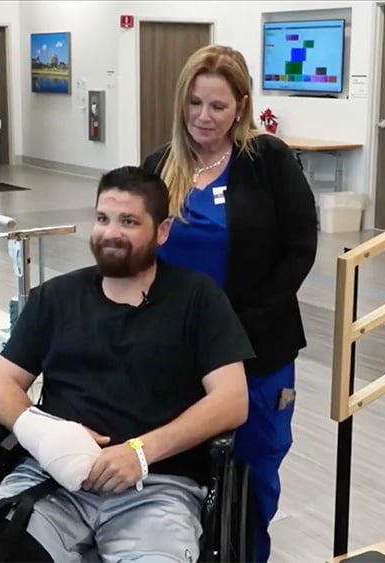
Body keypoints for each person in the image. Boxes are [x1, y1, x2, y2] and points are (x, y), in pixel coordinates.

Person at [0, 165, 254, 562]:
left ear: (162, 231)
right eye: (102, 218)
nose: (111, 232)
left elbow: (232, 400)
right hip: (51, 482)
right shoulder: (56, 298)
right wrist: (50, 437)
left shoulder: (199, 299)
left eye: (128, 221)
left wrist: (140, 453)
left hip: (156, 489)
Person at [141, 44, 318, 560]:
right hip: (177, 353)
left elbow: (299, 249)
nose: (204, 116)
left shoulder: (267, 161)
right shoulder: (160, 166)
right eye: (195, 103)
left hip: (257, 350)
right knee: (180, 469)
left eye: (218, 106)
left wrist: (234, 329)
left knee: (254, 470)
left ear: (241, 106)